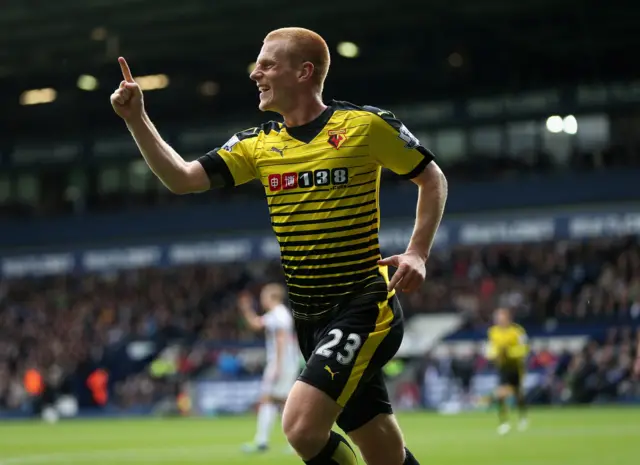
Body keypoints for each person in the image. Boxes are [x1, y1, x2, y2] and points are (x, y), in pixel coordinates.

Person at [110, 26, 447, 465]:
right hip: (310, 319)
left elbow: (432, 178)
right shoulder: (258, 144)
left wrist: (418, 250)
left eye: (267, 64)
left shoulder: (365, 126)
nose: (255, 74)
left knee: (302, 428)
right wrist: (137, 119)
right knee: (384, 453)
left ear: (304, 72)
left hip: (365, 304)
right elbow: (182, 177)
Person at [237, 284, 301, 453]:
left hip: (281, 363)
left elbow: (281, 341)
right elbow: (256, 324)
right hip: (286, 362)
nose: (262, 299)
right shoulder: (277, 315)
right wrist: (246, 309)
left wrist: (277, 367)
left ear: (272, 297)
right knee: (277, 401)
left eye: (264, 296)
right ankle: (266, 441)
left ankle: (266, 441)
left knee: (274, 400)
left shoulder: (279, 315)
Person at [485, 307, 529, 435]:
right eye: (498, 318)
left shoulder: (517, 331)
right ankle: (504, 422)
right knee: (501, 394)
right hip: (502, 367)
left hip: (515, 367)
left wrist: (509, 352)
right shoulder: (493, 332)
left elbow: (524, 348)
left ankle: (523, 417)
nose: (499, 320)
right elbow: (490, 349)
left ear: (508, 318)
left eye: (502, 318)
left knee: (518, 394)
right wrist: (495, 354)